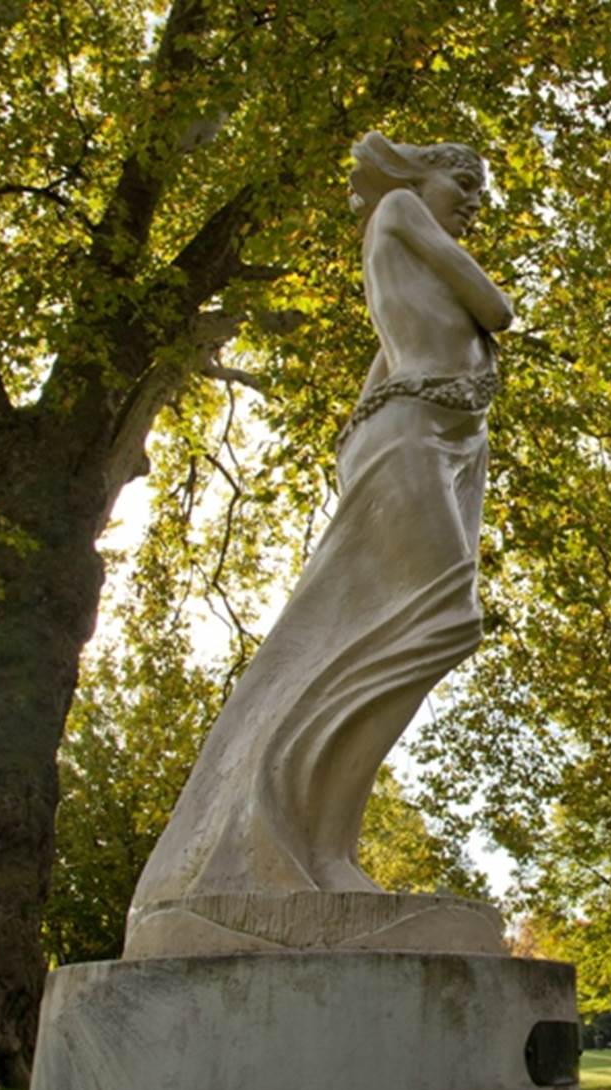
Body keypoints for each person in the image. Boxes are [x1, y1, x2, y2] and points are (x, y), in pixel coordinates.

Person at [124, 135, 511, 954]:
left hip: (435, 438)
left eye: (481, 190)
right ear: (420, 176)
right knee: (445, 617)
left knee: (417, 626)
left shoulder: (410, 257)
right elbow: (496, 307)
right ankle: (311, 840)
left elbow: (393, 357)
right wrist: (386, 436)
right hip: (414, 440)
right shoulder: (400, 208)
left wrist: (366, 437)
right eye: (464, 182)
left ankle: (321, 845)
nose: (475, 201)